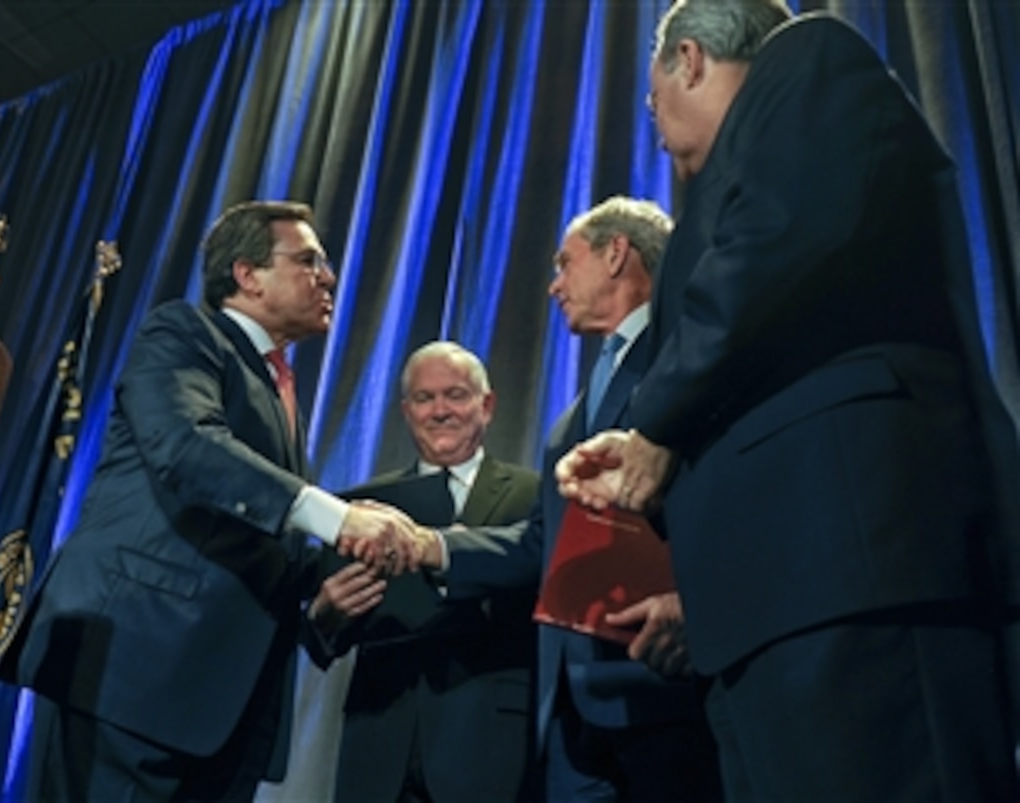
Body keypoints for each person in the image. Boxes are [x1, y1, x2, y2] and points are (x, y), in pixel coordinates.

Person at [556, 2, 1020, 800]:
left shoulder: (810, 62)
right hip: (766, 613)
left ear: (690, 60)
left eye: (650, 100)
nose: (657, 130)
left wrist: (655, 425)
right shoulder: (729, 183)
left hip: (857, 579)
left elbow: (771, 248)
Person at [0, 200, 426, 802]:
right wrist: (337, 517)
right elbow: (188, 448)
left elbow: (248, 535)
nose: (328, 277)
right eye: (308, 261)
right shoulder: (183, 332)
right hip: (137, 674)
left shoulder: (281, 391)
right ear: (247, 275)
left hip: (220, 705)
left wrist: (323, 591)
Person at [421, 197, 721, 802]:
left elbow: (729, 497)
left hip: (664, 691)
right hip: (571, 707)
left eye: (565, 263)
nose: (554, 285)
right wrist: (431, 547)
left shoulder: (691, 359)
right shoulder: (571, 418)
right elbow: (542, 544)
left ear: (616, 254)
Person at [304, 340, 541, 802]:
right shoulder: (359, 507)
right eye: (424, 398)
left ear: (486, 405)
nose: (439, 411)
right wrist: (326, 614)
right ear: (405, 410)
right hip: (380, 743)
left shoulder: (535, 496)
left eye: (455, 395)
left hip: (489, 743)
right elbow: (322, 640)